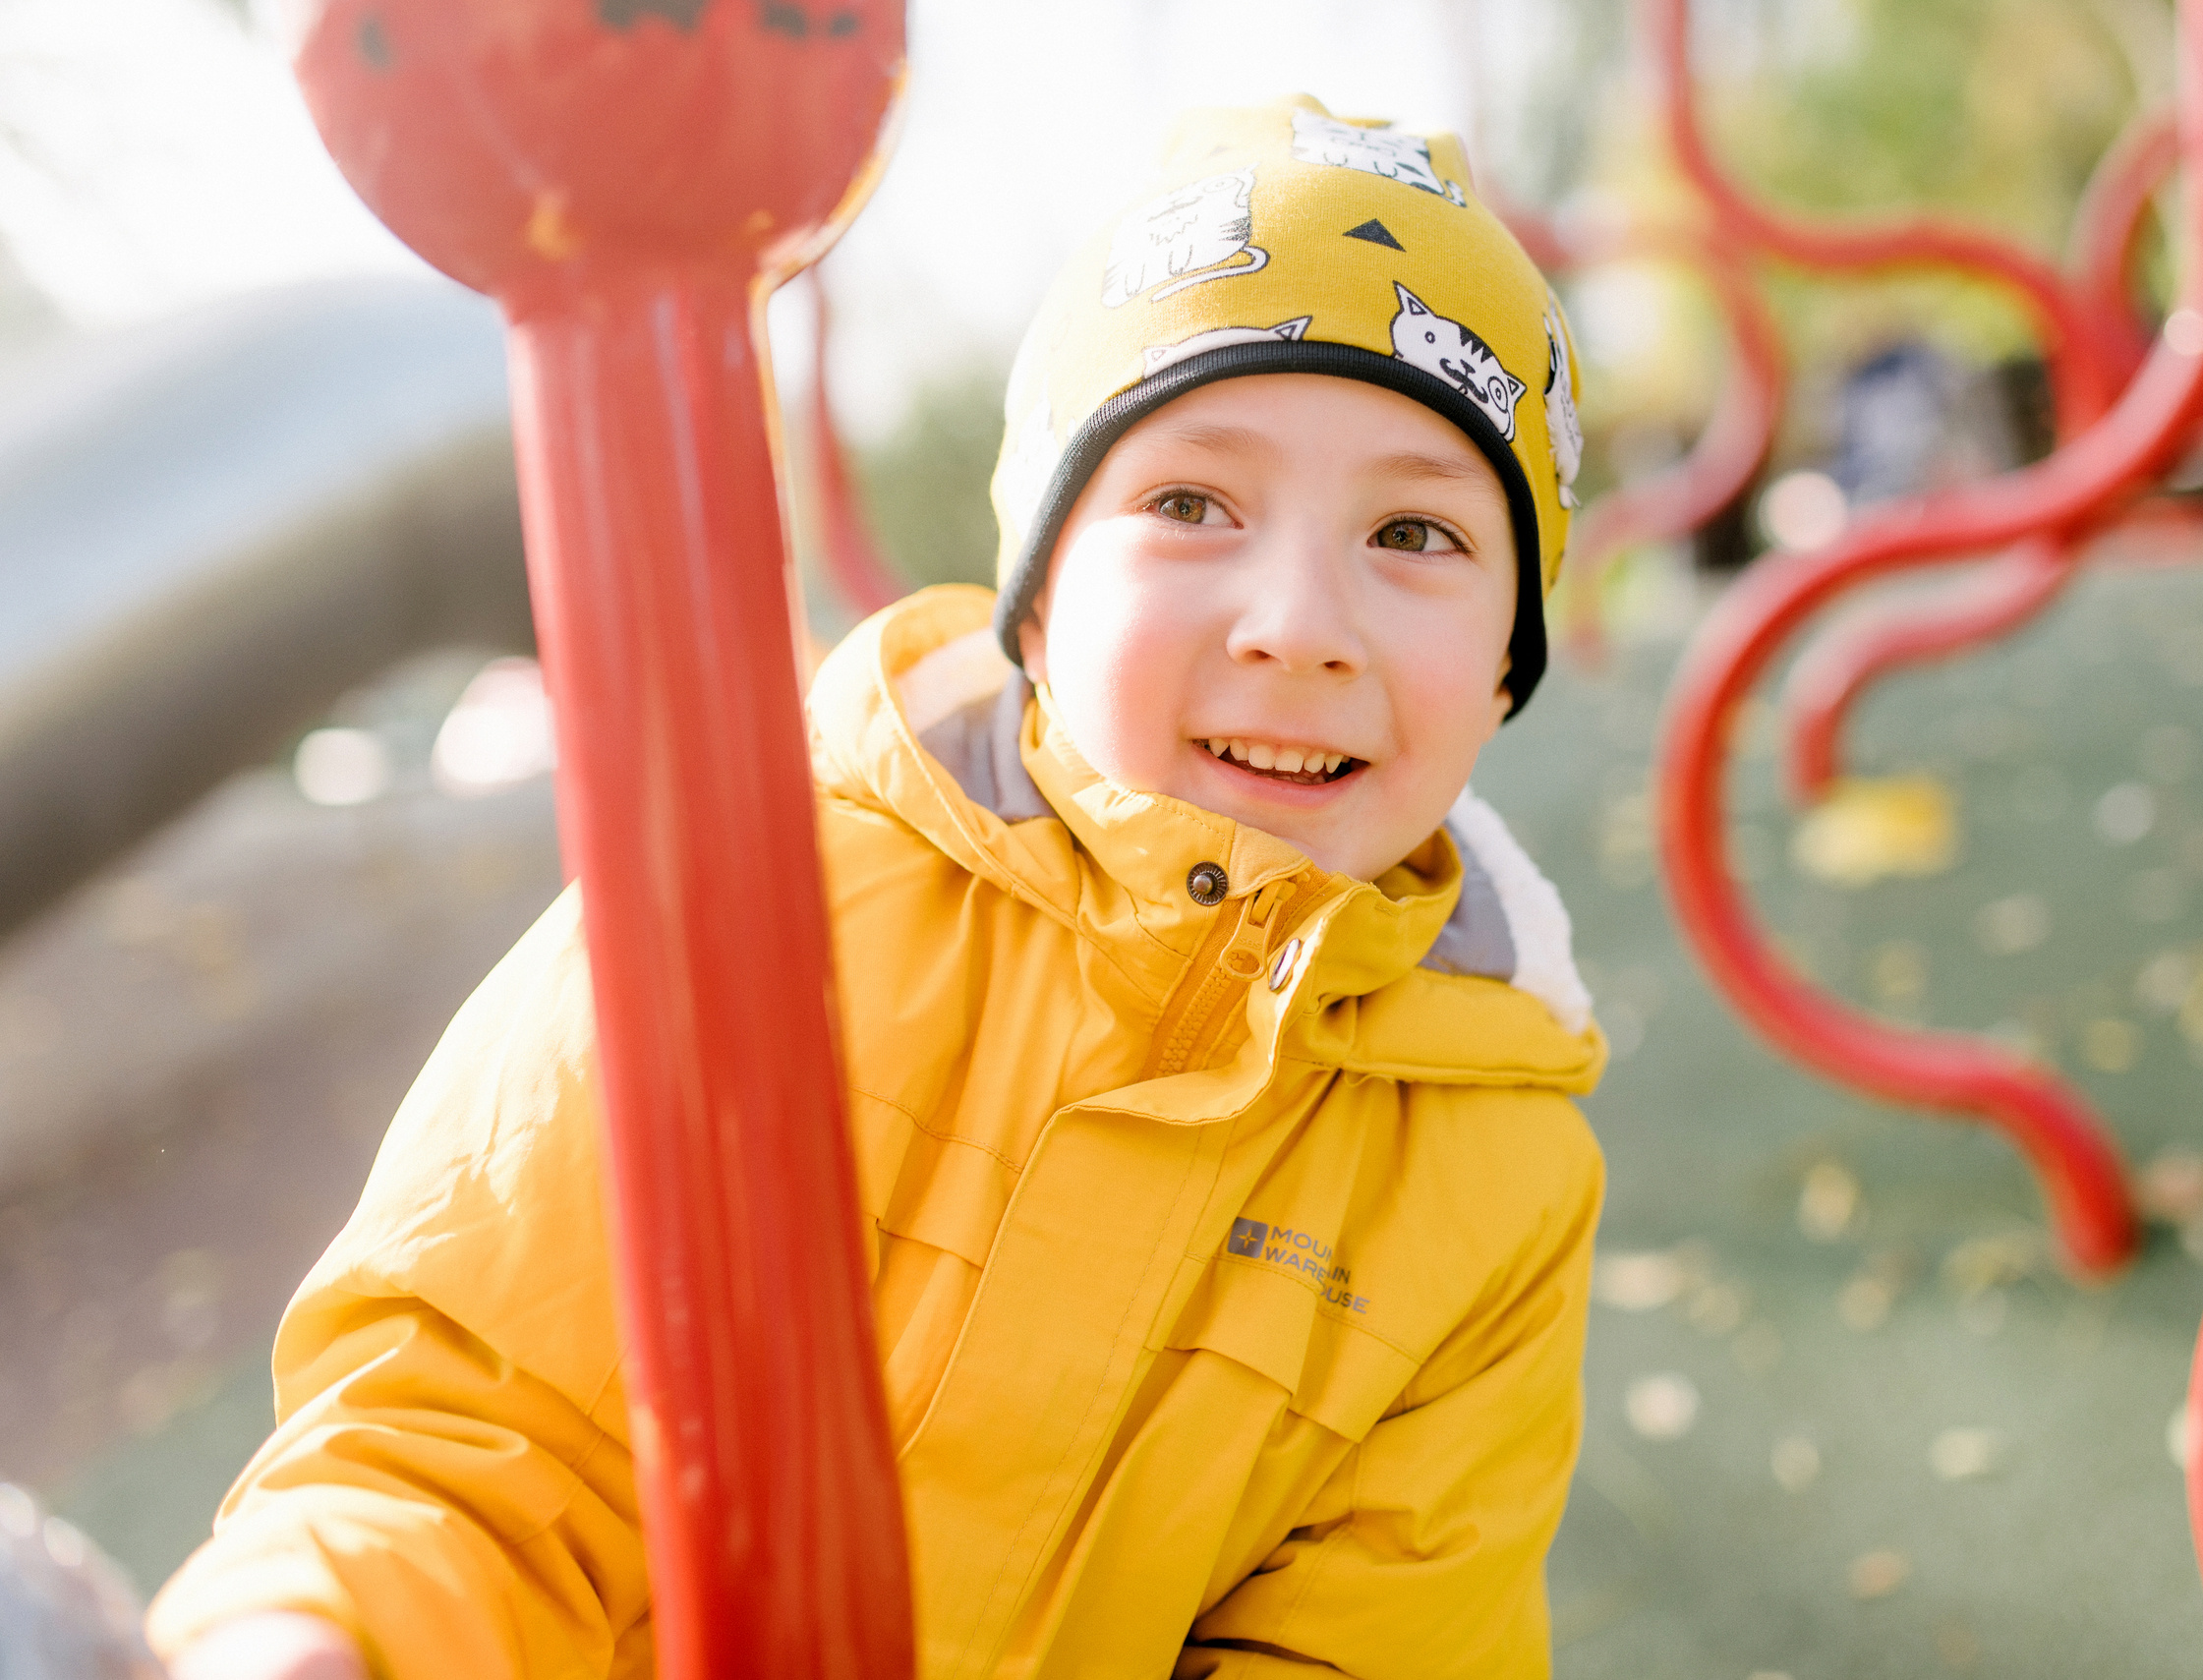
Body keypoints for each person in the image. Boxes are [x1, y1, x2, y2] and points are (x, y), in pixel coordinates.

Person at [149, 94, 1606, 1680]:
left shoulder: (1498, 1162)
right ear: (1038, 601)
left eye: (1416, 530)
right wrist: (319, 1630)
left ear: (1506, 671)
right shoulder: (755, 892)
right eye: (1192, 503)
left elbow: (1375, 1643)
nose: (1296, 620)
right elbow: (466, 1436)